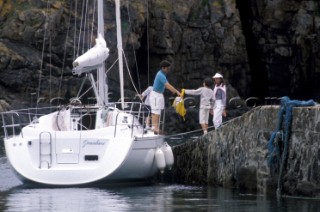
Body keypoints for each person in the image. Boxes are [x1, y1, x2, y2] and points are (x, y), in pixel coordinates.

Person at [149, 60, 181, 134]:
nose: (168, 70)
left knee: (158, 111)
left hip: (159, 94)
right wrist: (176, 91)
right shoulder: (160, 74)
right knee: (155, 111)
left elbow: (166, 85)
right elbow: (167, 85)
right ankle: (154, 128)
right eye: (167, 68)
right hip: (155, 95)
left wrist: (172, 90)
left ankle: (156, 128)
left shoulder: (163, 74)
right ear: (163, 68)